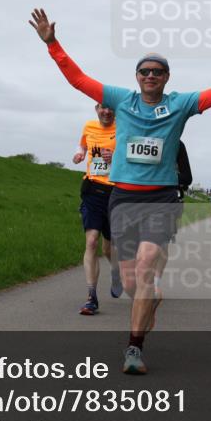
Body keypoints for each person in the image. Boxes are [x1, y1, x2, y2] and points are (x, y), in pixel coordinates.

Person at [30, 8, 211, 374]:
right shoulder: (121, 100)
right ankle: (150, 297)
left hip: (160, 199)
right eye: (144, 71)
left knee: (145, 265)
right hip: (122, 198)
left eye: (157, 71)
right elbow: (77, 79)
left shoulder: (180, 105)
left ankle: (134, 349)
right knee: (129, 281)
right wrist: (52, 44)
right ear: (136, 77)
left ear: (167, 77)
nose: (150, 75)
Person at [71, 103, 121, 315]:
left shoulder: (124, 129)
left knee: (108, 249)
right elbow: (82, 145)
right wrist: (80, 154)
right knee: (91, 242)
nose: (106, 112)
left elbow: (136, 158)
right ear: (96, 109)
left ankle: (117, 272)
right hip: (92, 191)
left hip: (117, 193)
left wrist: (118, 158)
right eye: (102, 108)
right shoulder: (89, 127)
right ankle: (91, 297)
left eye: (110, 108)